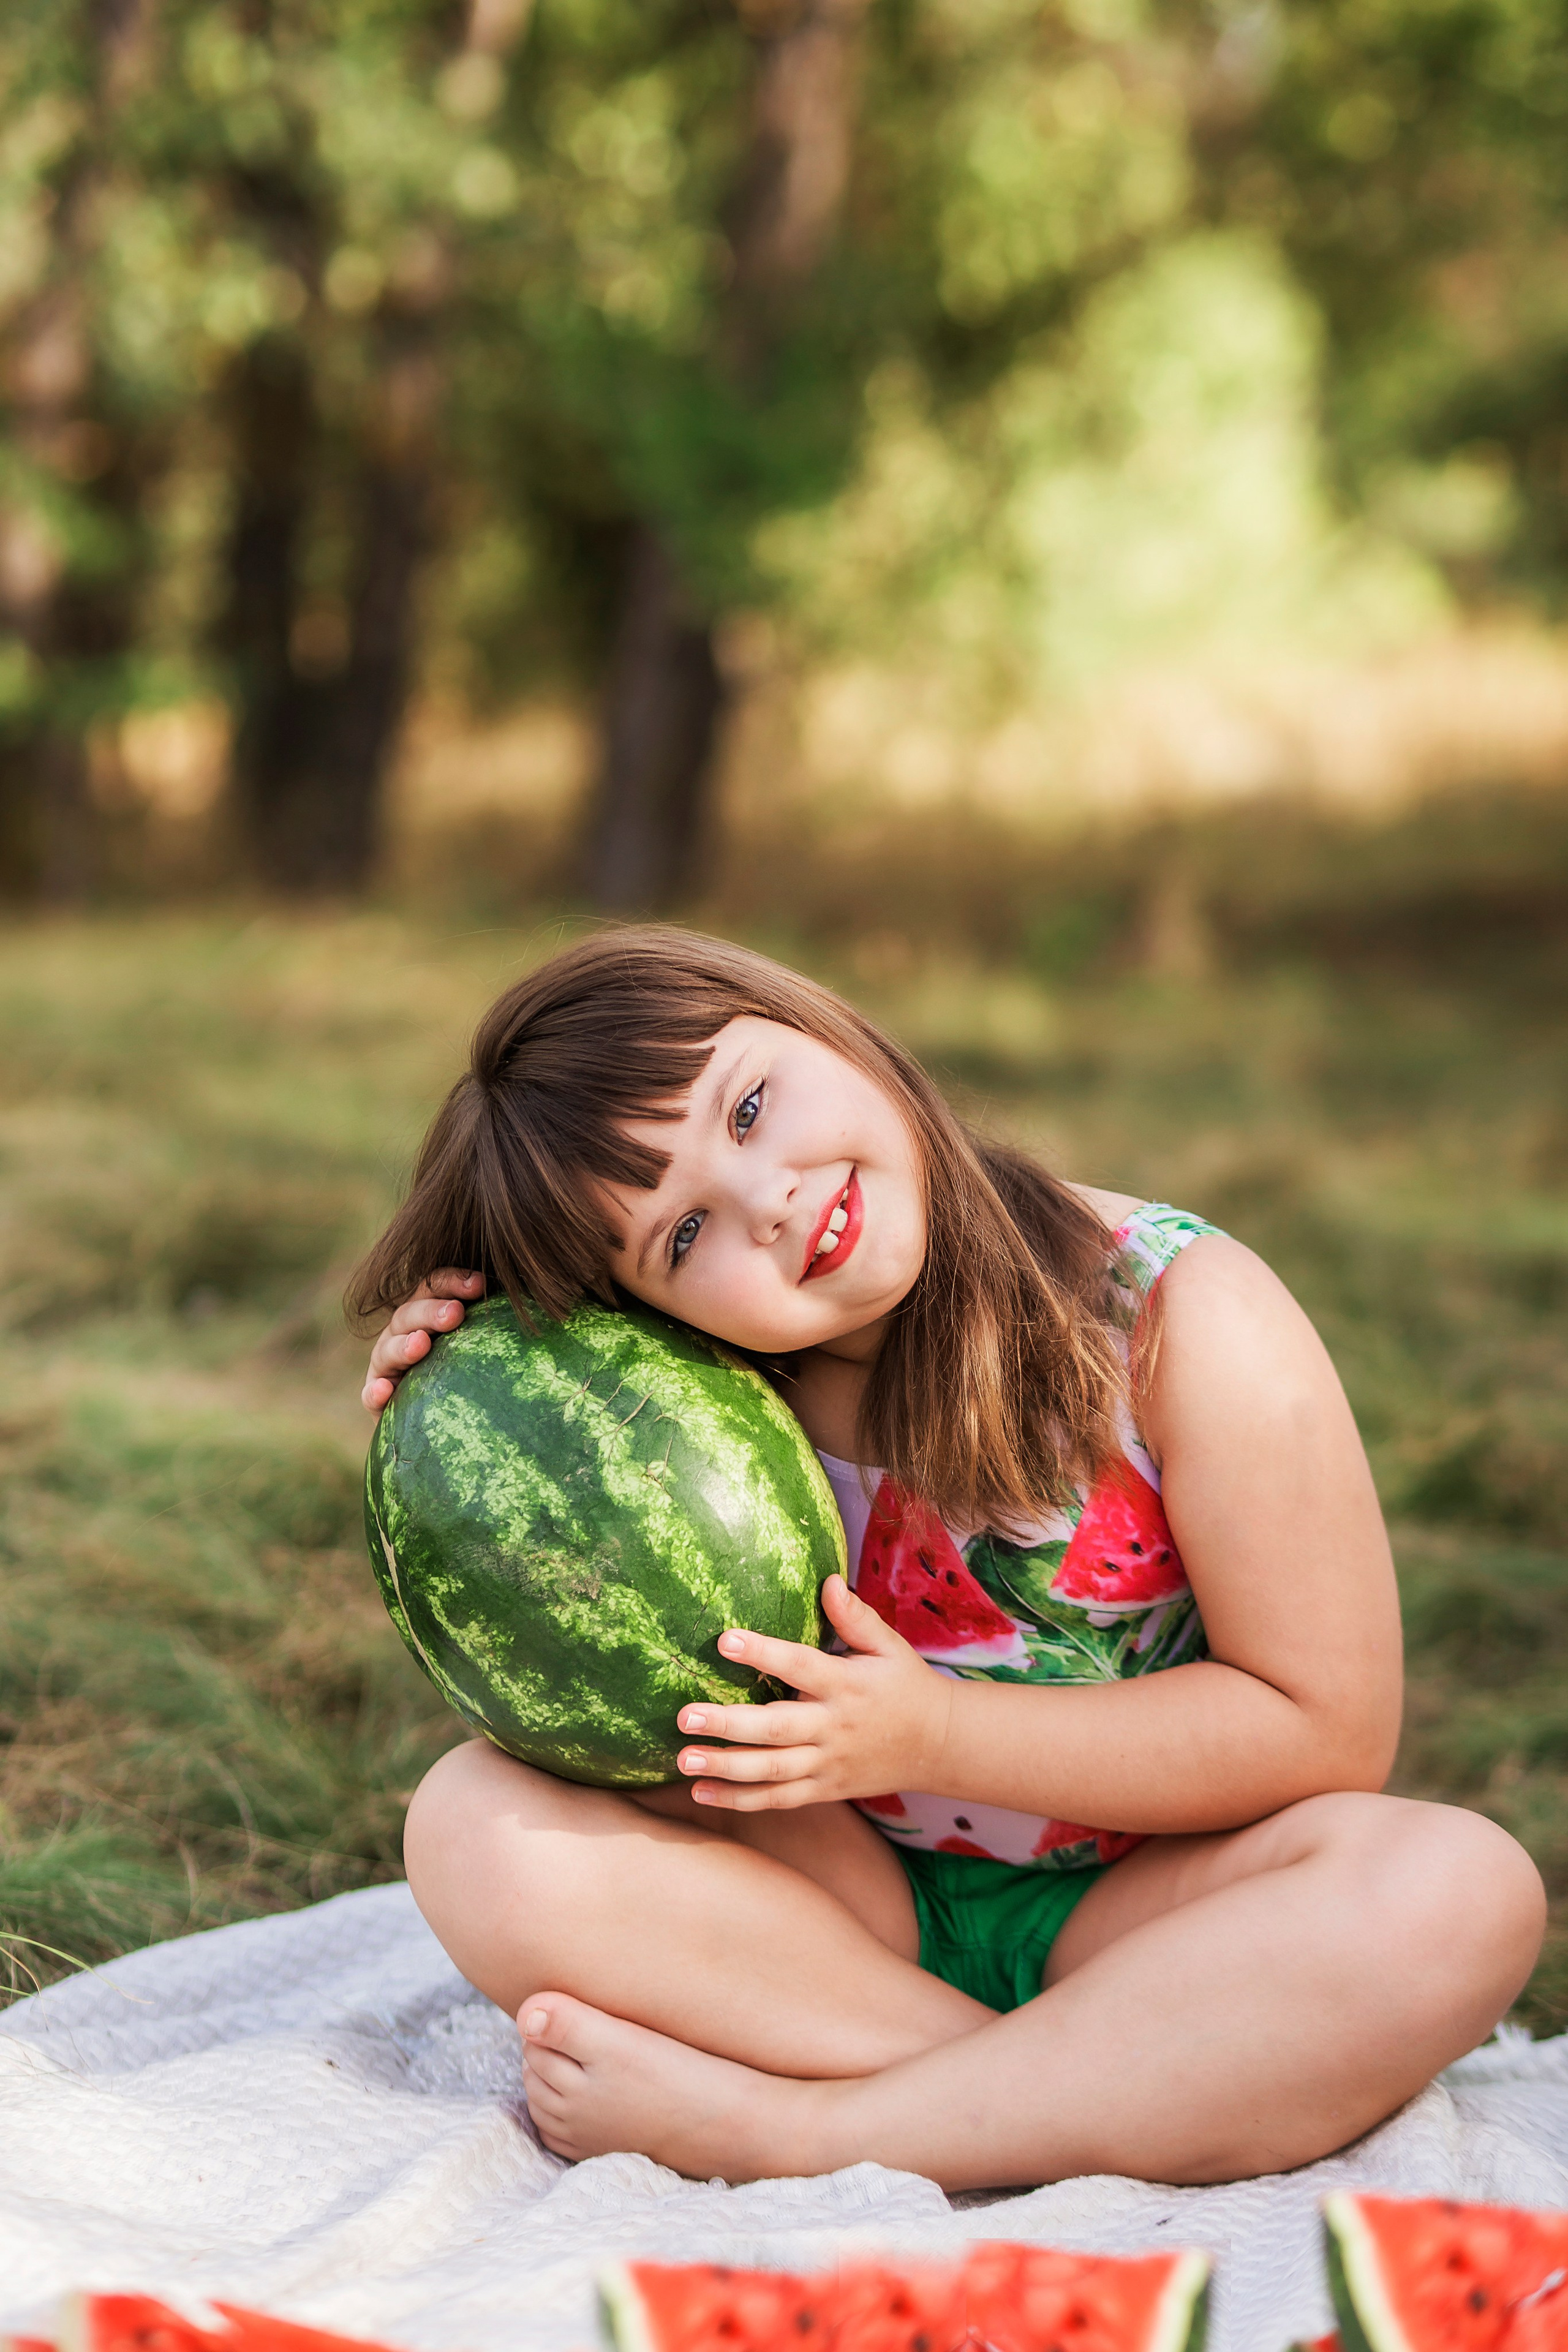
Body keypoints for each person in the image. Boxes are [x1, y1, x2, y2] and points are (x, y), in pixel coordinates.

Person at [352, 927, 1543, 2193]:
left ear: (817, 1020)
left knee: (1457, 1890)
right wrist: (462, 1395)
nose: (771, 1203)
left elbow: (1324, 1731)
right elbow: (549, 1613)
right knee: (469, 1824)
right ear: (640, 1307)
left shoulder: (1178, 1318)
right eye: (683, 1237)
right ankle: (1092, 2089)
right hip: (833, 1921)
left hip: (1150, 1914)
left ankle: (805, 2133)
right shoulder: (681, 1401)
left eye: (749, 1108)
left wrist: (929, 1740)